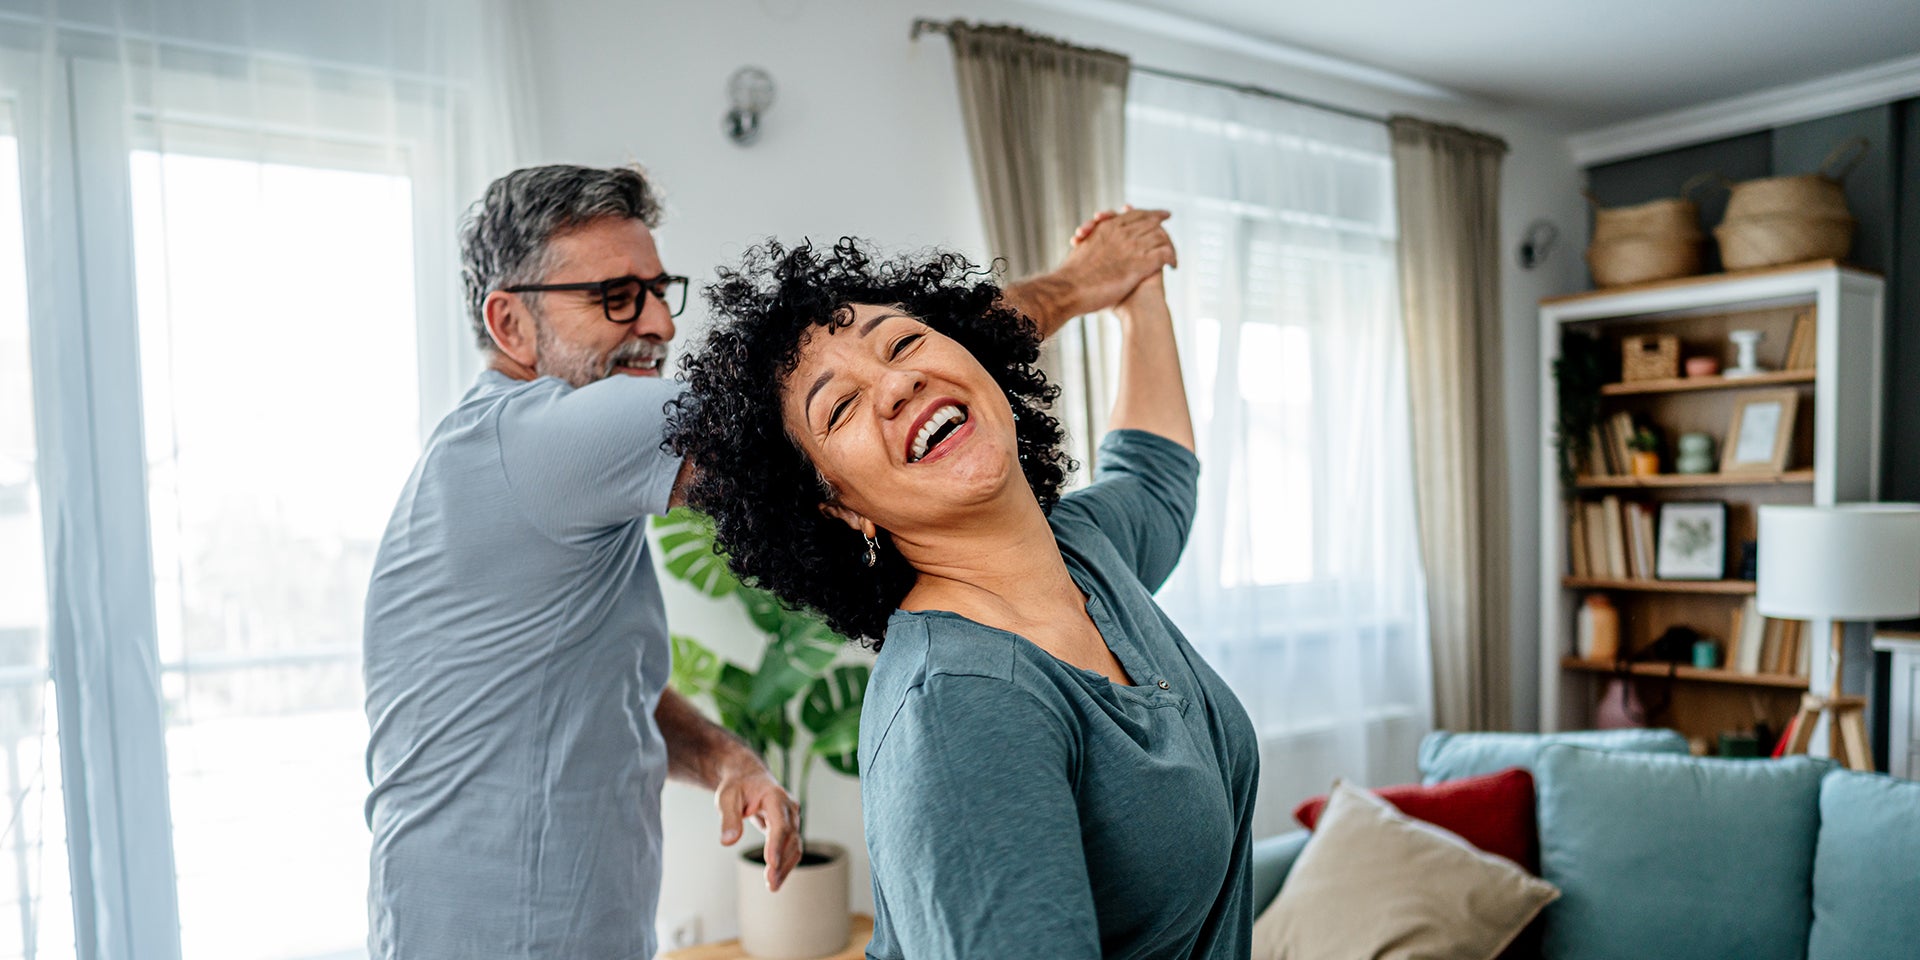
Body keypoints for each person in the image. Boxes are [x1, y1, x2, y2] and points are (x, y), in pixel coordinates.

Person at [360, 163, 1177, 959]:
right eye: (616, 298)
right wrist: (1084, 280)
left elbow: (584, 685)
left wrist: (723, 757)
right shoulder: (540, 442)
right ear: (509, 324)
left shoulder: (522, 470)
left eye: (657, 290)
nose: (659, 325)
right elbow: (852, 394)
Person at [666, 234, 1258, 959]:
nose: (896, 384)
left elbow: (1158, 480)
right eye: (841, 408)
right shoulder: (957, 709)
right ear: (841, 507)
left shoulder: (1081, 548)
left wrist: (1141, 293)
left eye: (904, 343)